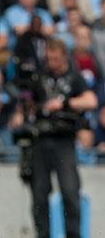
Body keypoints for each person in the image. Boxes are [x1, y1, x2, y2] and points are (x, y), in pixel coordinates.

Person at [24, 38, 97, 238]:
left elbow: (91, 101)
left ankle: (73, 234)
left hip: (64, 140)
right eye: (49, 58)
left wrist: (64, 103)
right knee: (39, 193)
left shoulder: (74, 78)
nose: (51, 63)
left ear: (64, 57)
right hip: (41, 139)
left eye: (55, 59)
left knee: (70, 191)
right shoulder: (40, 76)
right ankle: (43, 234)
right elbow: (27, 100)